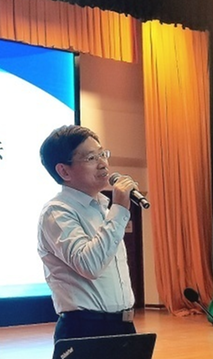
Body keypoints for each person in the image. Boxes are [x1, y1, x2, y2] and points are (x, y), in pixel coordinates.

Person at [37, 125, 139, 342]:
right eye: (91, 158)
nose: (103, 163)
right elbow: (89, 265)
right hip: (85, 329)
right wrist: (120, 209)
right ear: (64, 171)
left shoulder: (104, 208)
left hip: (124, 325)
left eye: (103, 154)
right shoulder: (57, 212)